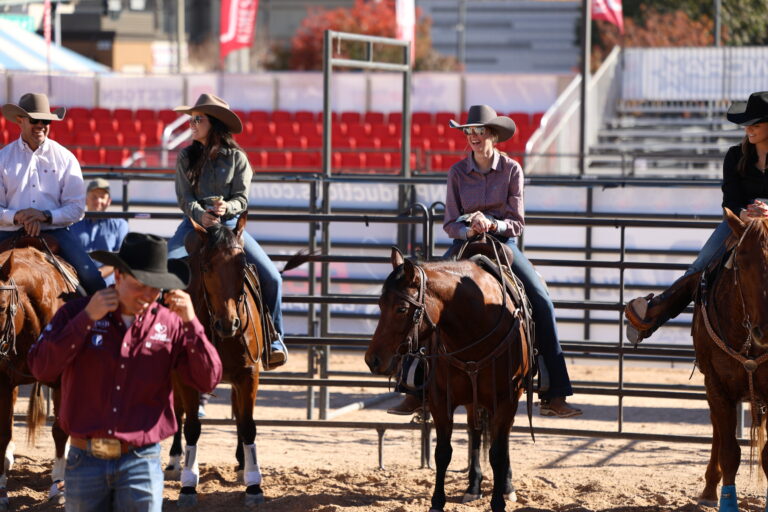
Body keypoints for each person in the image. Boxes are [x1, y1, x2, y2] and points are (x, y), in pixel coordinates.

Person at [388, 105, 581, 418]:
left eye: (479, 131)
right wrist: (468, 229)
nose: (473, 137)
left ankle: (553, 391)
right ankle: (415, 388)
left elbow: (516, 223)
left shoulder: (511, 170)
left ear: (493, 135)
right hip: (464, 243)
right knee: (424, 293)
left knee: (541, 300)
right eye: (469, 131)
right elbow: (450, 222)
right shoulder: (457, 172)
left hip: (502, 243)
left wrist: (492, 225)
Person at [28, 232, 222, 512]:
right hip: (85, 457)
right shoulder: (75, 313)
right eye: (139, 285)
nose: (148, 295)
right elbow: (41, 368)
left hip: (141, 459)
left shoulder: (172, 323)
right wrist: (85, 320)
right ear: (118, 276)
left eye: (156, 288)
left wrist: (192, 324)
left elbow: (208, 380)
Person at [624, 91, 768, 343]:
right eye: (747, 124)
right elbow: (730, 200)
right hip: (740, 223)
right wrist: (743, 213)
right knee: (701, 266)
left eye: (755, 124)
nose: (748, 130)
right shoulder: (735, 156)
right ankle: (654, 316)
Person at [167, 93, 287, 369]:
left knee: (272, 278)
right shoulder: (186, 155)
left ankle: (274, 339)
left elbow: (242, 200)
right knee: (165, 267)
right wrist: (201, 215)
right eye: (191, 119)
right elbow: (184, 199)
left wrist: (225, 208)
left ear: (214, 124)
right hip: (195, 225)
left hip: (231, 228)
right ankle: (162, 339)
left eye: (198, 119)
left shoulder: (237, 158)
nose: (192, 124)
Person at [0, 92, 105, 294]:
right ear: (20, 121)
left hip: (54, 230)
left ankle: (106, 323)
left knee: (92, 277)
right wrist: (17, 217)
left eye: (45, 120)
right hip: (9, 229)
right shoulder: (2, 158)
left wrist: (45, 216)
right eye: (34, 120)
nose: (41, 124)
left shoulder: (65, 158)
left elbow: (76, 209)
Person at [70, 178, 129, 285]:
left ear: (109, 201)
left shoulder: (120, 224)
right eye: (94, 197)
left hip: (107, 284)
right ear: (86, 199)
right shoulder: (73, 223)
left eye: (102, 197)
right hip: (76, 281)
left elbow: (122, 257)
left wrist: (96, 275)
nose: (98, 201)